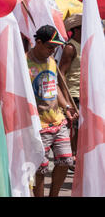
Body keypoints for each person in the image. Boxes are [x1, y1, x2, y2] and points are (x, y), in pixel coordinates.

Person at [26, 25, 78, 197]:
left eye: (55, 48)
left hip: (58, 120)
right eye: (50, 47)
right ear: (38, 42)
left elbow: (54, 88)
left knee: (65, 161)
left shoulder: (51, 62)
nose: (52, 51)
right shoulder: (24, 62)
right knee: (40, 168)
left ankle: (53, 195)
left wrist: (67, 107)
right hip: (38, 124)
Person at [59, 14, 82, 169]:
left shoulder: (88, 44)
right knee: (76, 128)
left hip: (87, 93)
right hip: (74, 93)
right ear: (76, 29)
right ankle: (75, 155)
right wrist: (67, 101)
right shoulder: (70, 47)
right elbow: (62, 73)